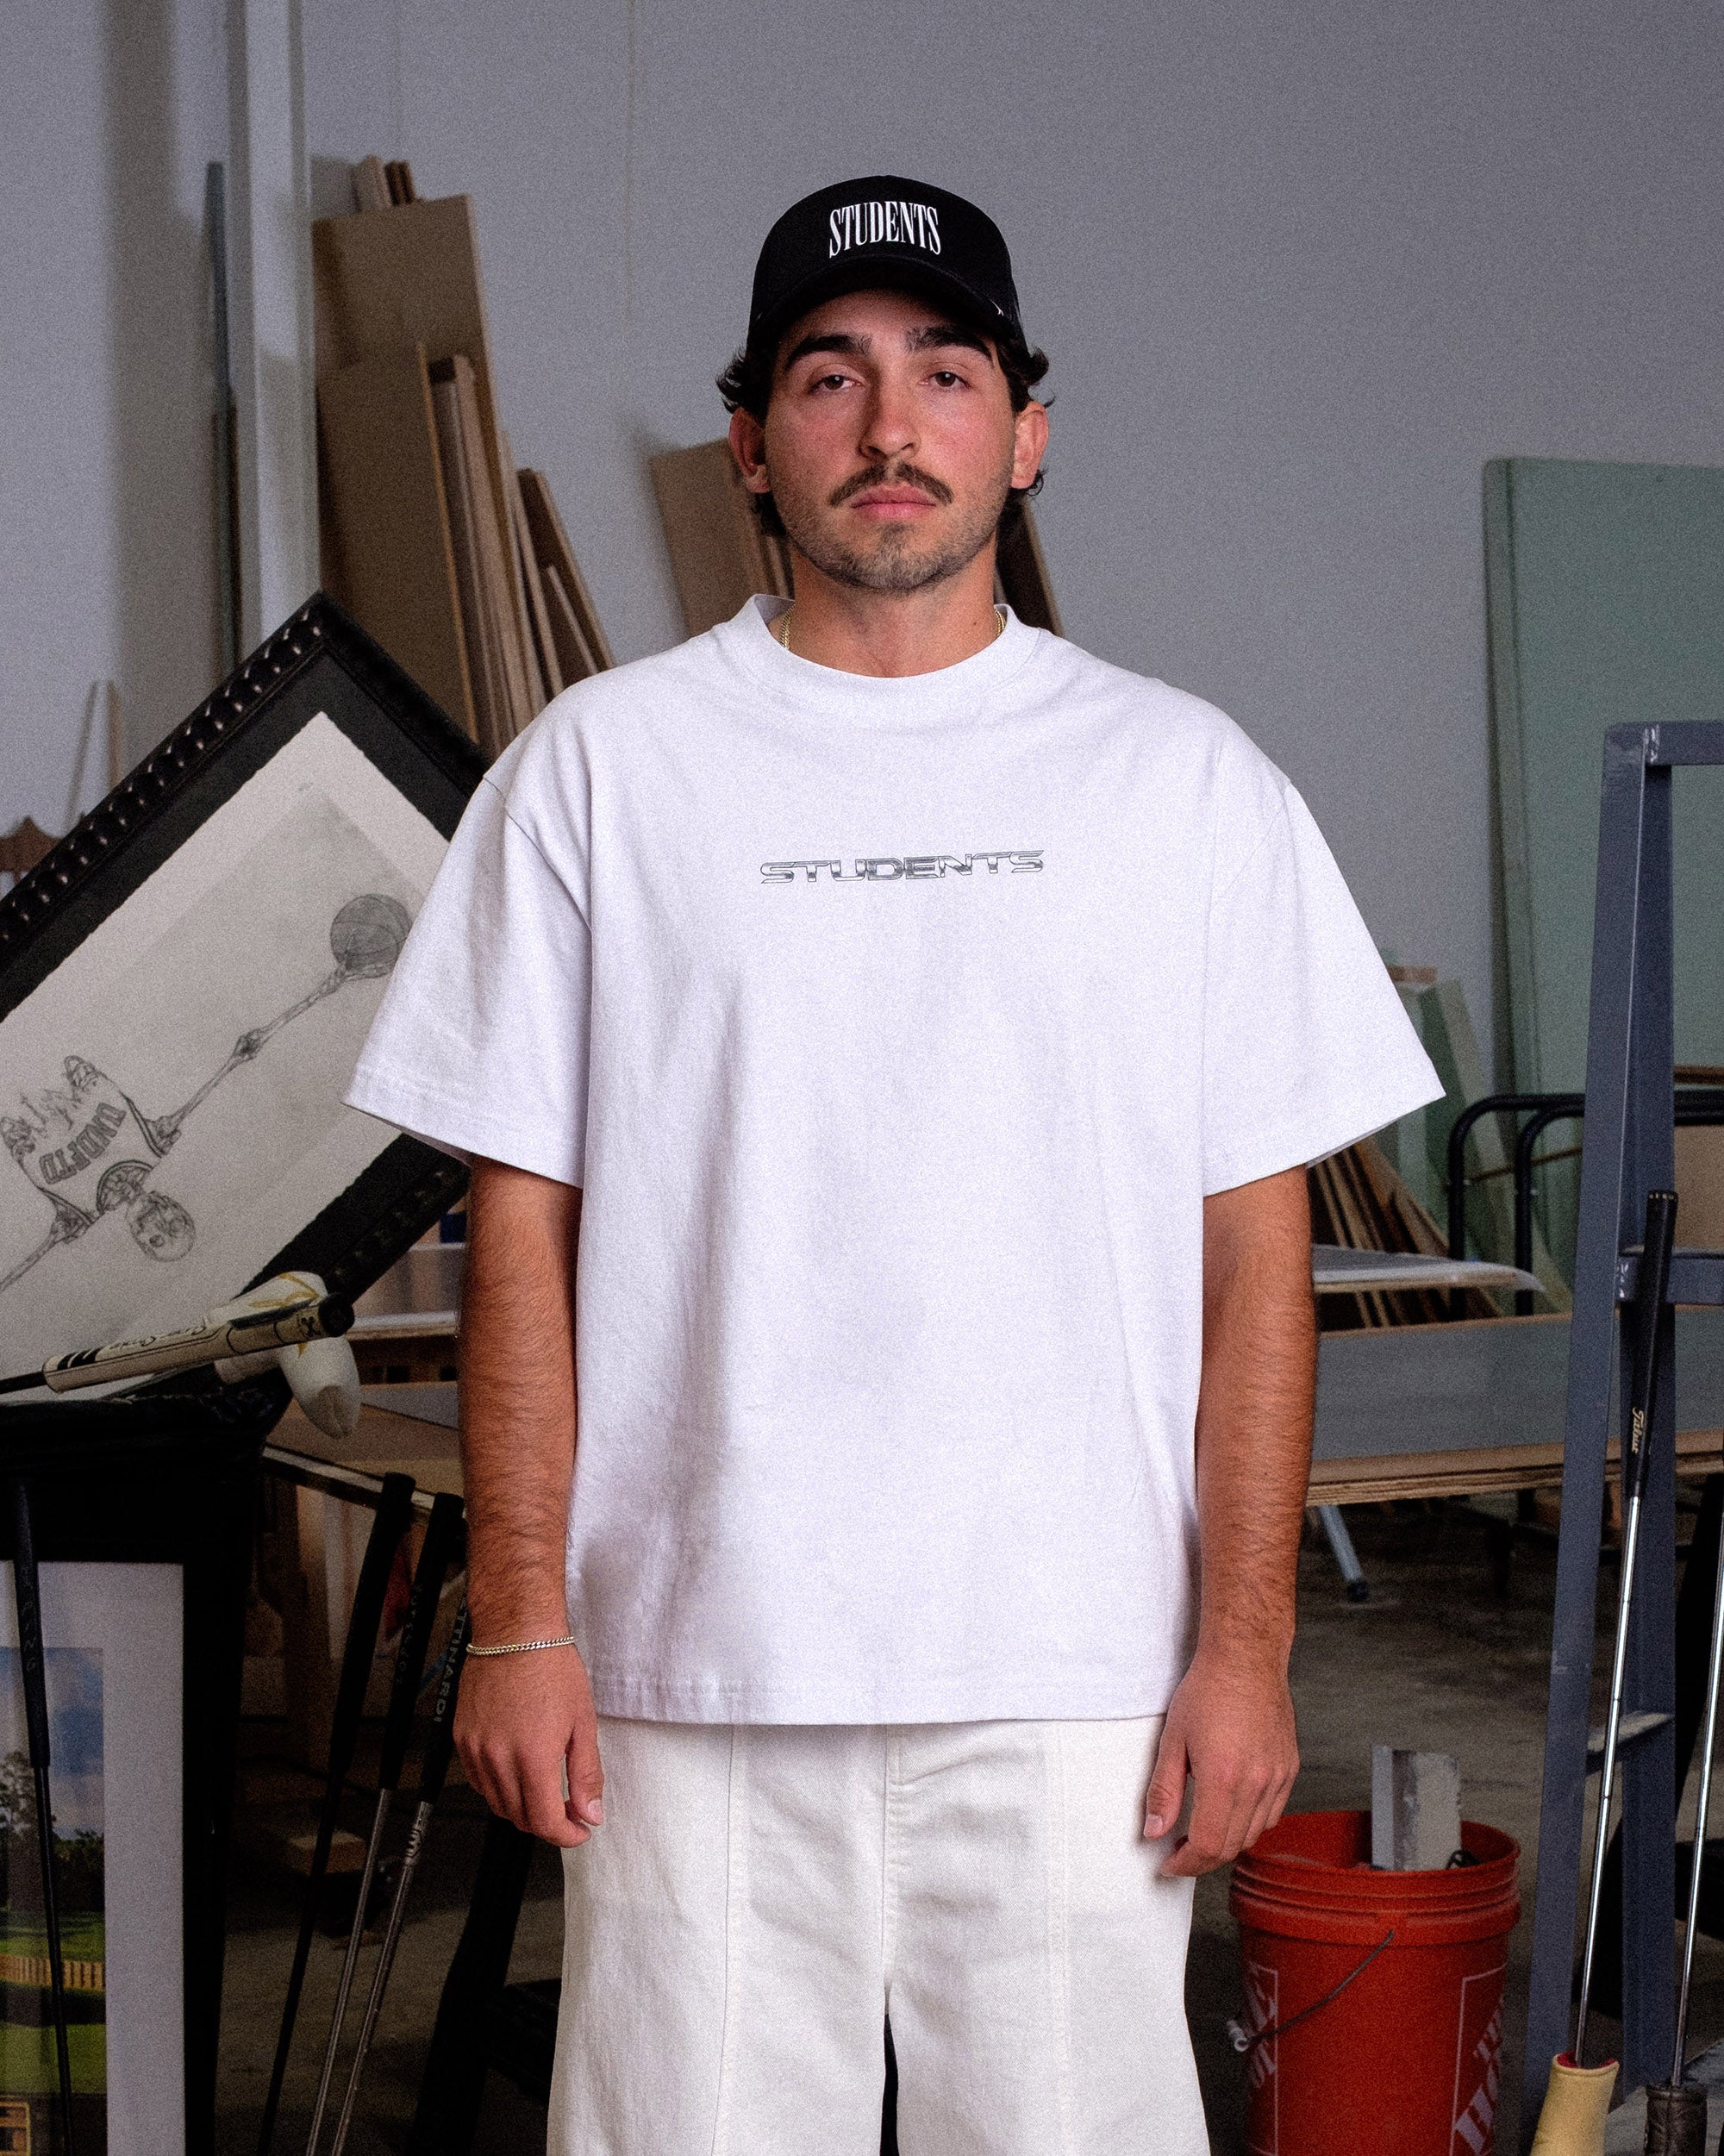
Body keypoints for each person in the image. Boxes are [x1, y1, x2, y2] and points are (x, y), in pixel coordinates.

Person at [348, 174, 1440, 2154]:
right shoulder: (602, 773)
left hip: (1074, 1681)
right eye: (827, 375)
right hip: (692, 1675)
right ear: (751, 438)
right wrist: (518, 1621)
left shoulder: (1182, 784)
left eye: (945, 372)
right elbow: (521, 1235)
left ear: (1022, 434)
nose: (887, 423)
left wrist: (1245, 1652)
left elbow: (1252, 1265)